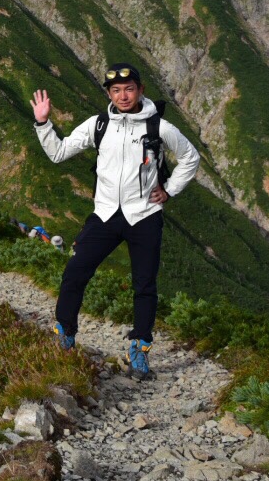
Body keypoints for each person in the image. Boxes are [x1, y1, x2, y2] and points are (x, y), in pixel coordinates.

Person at [30, 63, 200, 378]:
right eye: (116, 90)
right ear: (109, 93)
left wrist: (170, 190)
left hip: (144, 215)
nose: (123, 96)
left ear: (140, 90)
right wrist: (43, 123)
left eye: (129, 89)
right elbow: (59, 152)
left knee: (144, 285)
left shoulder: (158, 127)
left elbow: (191, 157)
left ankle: (139, 350)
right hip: (105, 213)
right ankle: (64, 335)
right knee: (75, 272)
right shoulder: (99, 125)